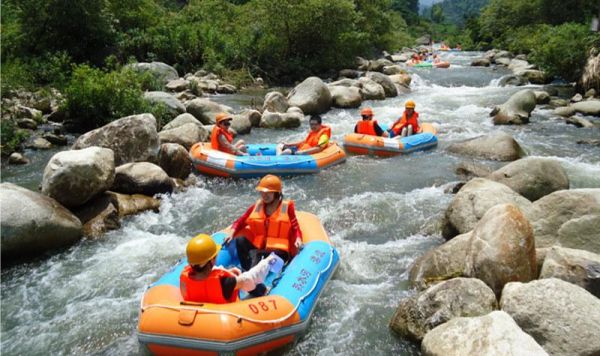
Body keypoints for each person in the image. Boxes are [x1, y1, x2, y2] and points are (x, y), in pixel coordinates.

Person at [224, 174, 303, 272]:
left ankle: (251, 279)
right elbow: (241, 221)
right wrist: (231, 233)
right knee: (240, 240)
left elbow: (296, 228)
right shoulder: (257, 206)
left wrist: (298, 239)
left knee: (256, 254)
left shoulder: (287, 208)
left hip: (280, 254)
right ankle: (247, 271)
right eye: (262, 192)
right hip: (260, 249)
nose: (264, 196)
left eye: (268, 193)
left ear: (276, 193)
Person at [180, 234, 276, 303]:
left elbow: (202, 282)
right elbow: (251, 278)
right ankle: (264, 291)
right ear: (211, 261)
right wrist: (267, 262)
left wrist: (225, 271)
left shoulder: (185, 279)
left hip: (201, 321)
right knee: (260, 288)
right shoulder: (226, 282)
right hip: (225, 322)